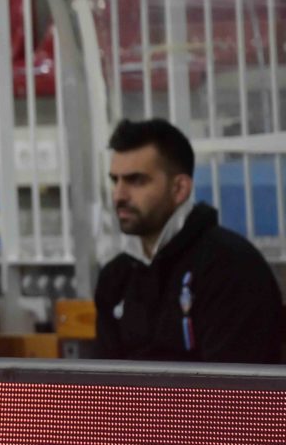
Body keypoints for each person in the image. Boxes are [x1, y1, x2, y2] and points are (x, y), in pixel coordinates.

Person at [95, 118, 283, 363]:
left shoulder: (231, 267)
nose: (119, 195)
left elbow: (233, 383)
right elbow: (105, 379)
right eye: (115, 180)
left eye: (136, 180)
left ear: (179, 189)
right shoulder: (116, 277)